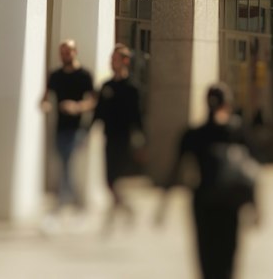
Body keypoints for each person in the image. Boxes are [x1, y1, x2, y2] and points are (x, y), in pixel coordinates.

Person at [163, 82, 257, 279]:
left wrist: (163, 204)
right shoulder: (237, 131)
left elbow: (176, 170)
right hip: (230, 203)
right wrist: (256, 205)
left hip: (203, 201)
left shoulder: (194, 134)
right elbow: (251, 171)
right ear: (228, 104)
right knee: (228, 252)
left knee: (206, 254)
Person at [91, 43, 144, 227]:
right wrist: (89, 129)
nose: (111, 63)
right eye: (110, 59)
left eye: (115, 59)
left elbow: (138, 116)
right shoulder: (106, 86)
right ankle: (125, 208)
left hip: (124, 138)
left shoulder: (133, 88)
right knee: (108, 180)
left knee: (117, 178)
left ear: (125, 61)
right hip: (109, 137)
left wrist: (140, 141)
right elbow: (98, 112)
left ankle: (114, 214)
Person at [40, 38, 96, 212]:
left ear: (75, 51)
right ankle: (74, 199)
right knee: (65, 163)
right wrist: (46, 105)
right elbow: (45, 97)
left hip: (78, 128)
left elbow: (93, 100)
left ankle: (64, 200)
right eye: (62, 52)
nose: (65, 55)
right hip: (60, 127)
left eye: (68, 51)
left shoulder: (84, 75)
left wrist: (77, 107)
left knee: (67, 160)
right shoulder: (55, 76)